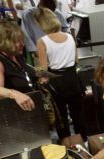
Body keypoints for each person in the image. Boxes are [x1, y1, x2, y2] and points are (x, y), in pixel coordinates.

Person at [36, 7, 85, 141]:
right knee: (78, 115)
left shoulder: (42, 41)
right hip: (73, 78)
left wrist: (40, 78)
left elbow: (44, 69)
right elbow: (76, 60)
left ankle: (66, 145)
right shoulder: (69, 36)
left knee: (61, 117)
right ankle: (83, 143)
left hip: (56, 82)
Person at [0, 19, 36, 111]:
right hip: (15, 112)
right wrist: (15, 94)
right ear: (5, 42)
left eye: (21, 40)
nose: (22, 44)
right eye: (17, 41)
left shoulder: (15, 54)